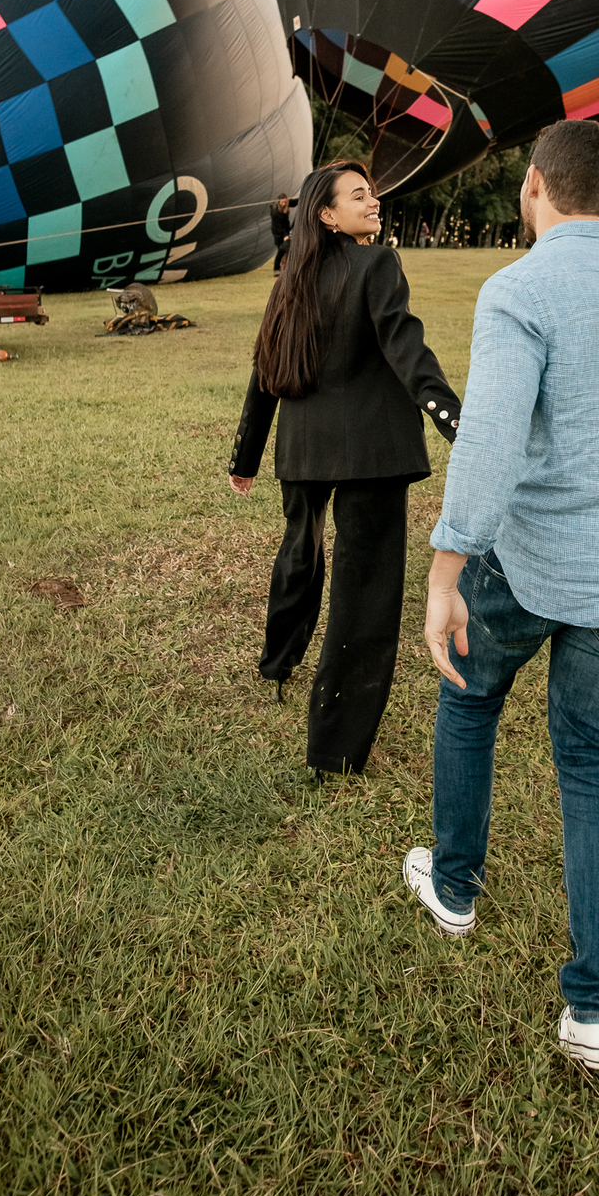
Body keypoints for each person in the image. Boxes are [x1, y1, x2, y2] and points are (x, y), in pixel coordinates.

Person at [403, 119, 599, 1073]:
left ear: (534, 187)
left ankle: (453, 886)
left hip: (527, 563)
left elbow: (484, 444)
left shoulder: (518, 289)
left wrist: (446, 570)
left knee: (469, 698)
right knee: (591, 762)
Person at [229, 161, 461, 777]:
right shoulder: (377, 263)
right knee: (364, 595)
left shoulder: (290, 279)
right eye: (359, 195)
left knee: (300, 558)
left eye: (373, 192)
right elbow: (404, 344)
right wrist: (454, 419)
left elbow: (263, 371)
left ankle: (278, 663)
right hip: (371, 455)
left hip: (304, 451)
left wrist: (246, 455)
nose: (373, 201)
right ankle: (334, 748)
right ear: (327, 214)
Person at [270, 194, 294, 271]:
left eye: (285, 202)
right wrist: (285, 235)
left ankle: (282, 267)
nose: (284, 204)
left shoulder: (285, 204)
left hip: (285, 230)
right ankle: (277, 268)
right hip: (278, 233)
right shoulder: (275, 211)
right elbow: (279, 226)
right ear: (279, 201)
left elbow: (294, 202)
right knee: (282, 250)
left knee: (284, 251)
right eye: (282, 202)